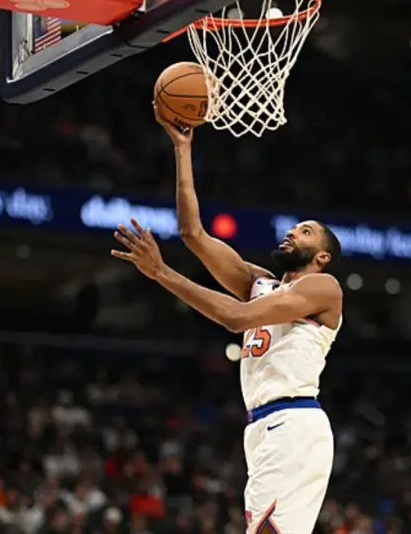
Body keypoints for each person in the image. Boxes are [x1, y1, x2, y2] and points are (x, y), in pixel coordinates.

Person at [110, 107, 343, 534]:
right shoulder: (260, 283)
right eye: (294, 228)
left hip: (294, 423)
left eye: (305, 232)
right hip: (262, 427)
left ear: (323, 256)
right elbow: (193, 235)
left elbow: (237, 319)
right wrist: (182, 149)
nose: (292, 232)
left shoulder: (324, 288)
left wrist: (162, 273)